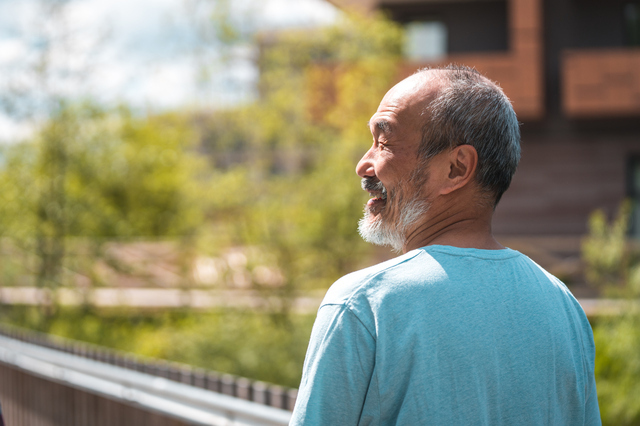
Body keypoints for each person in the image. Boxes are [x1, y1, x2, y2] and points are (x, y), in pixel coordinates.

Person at [290, 65, 601, 425]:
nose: (364, 163)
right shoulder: (563, 306)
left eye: (384, 141)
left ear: (456, 168)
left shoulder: (364, 304)